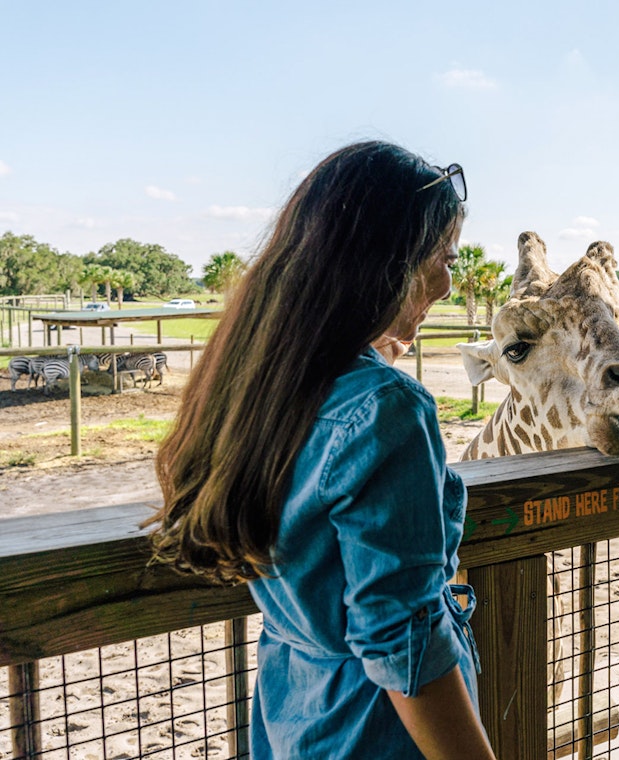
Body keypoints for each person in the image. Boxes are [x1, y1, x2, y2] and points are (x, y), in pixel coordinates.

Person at [146, 142, 495, 759]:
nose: (446, 282)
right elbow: (403, 644)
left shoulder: (258, 385)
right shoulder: (388, 408)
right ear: (385, 261)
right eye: (442, 258)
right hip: (380, 731)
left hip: (296, 711)